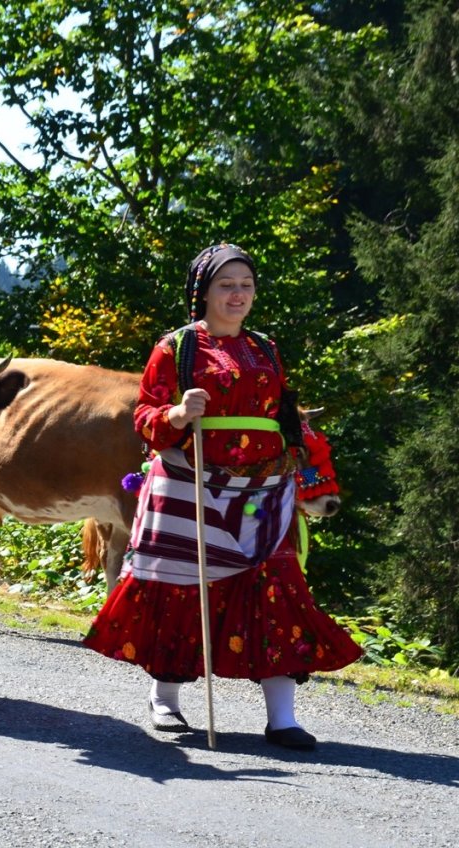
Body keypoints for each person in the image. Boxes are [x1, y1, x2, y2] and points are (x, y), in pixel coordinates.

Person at [82, 243, 360, 751]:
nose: (238, 294)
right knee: (180, 591)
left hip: (263, 491)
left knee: (275, 589)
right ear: (203, 292)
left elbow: (282, 414)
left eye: (246, 285)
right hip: (191, 485)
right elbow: (145, 418)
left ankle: (282, 718)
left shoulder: (266, 347)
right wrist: (178, 415)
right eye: (226, 285)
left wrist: (299, 469)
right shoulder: (176, 348)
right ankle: (165, 701)